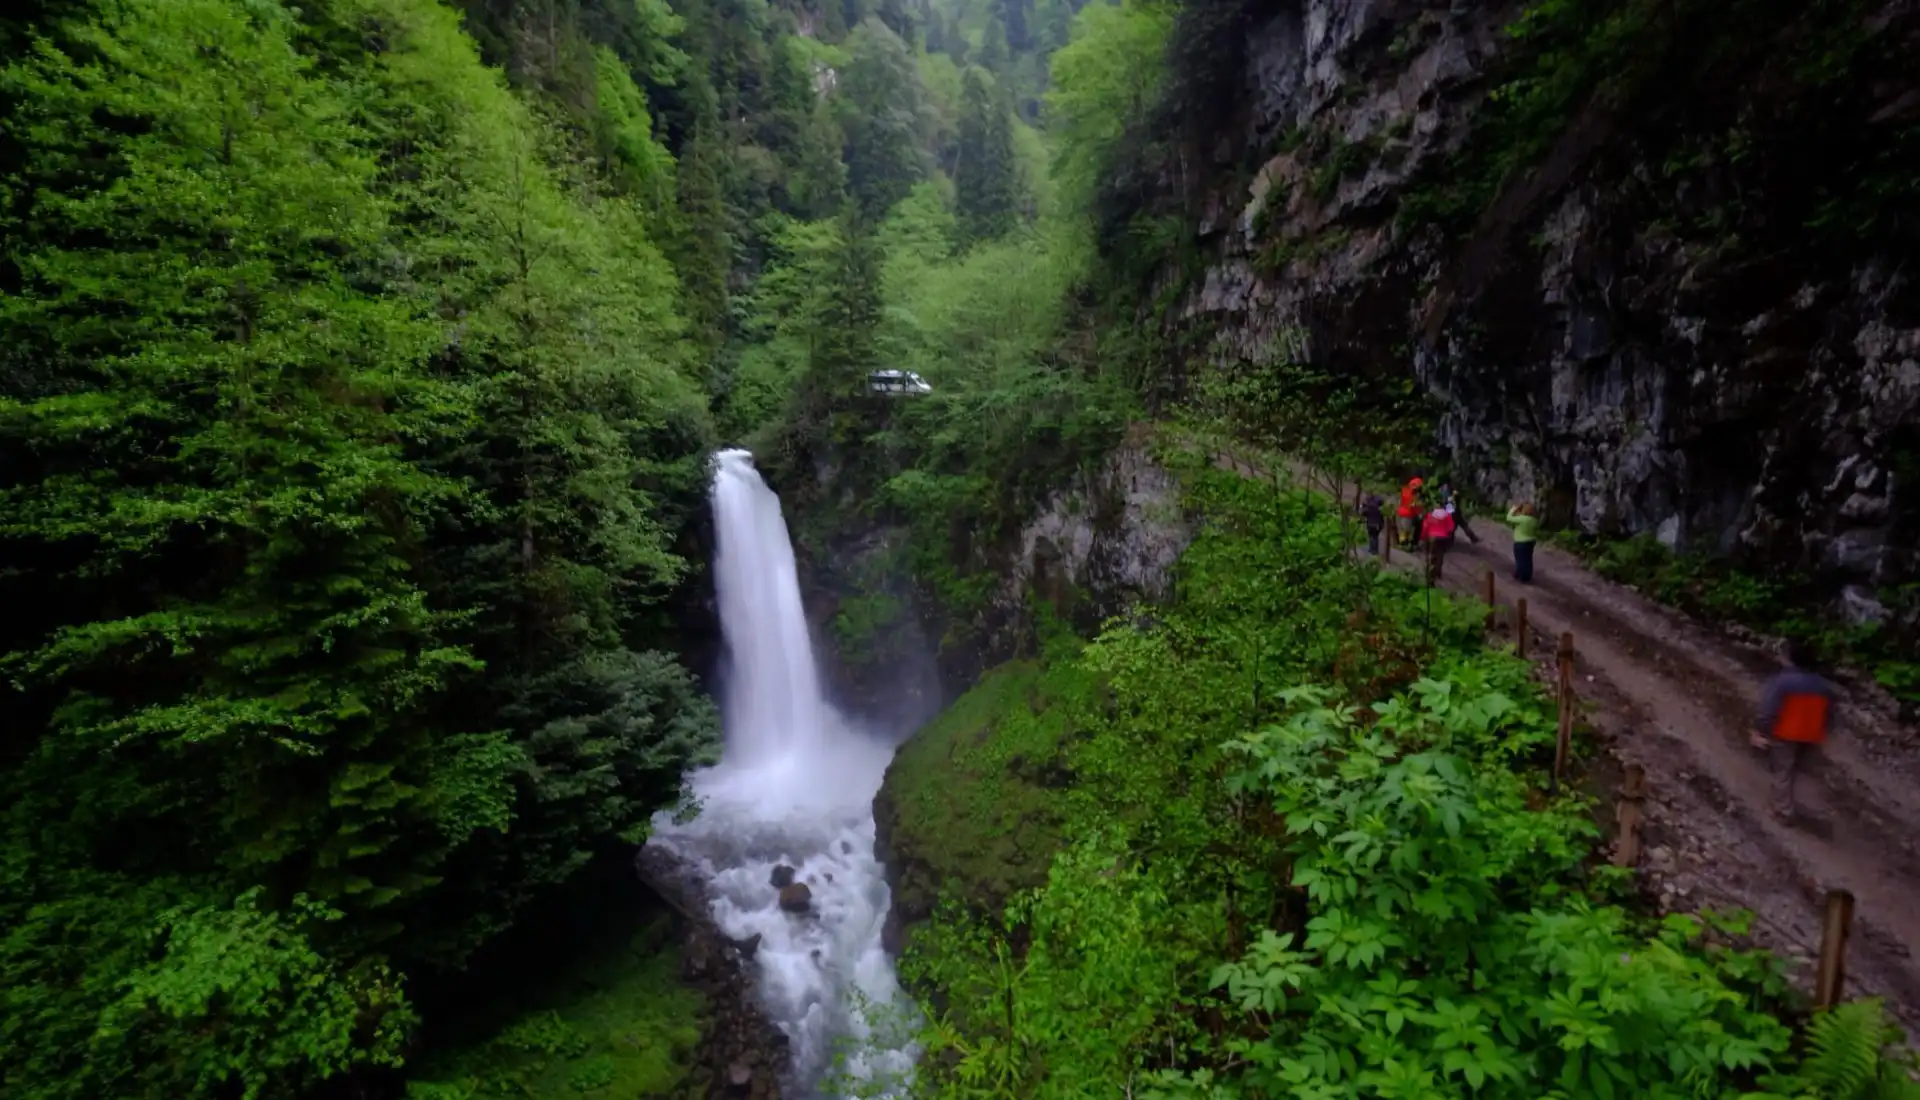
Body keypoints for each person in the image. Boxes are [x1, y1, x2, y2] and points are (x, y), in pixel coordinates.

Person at [1752, 640, 1840, 823]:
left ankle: (1783, 812)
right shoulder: (1824, 687)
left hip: (1786, 733)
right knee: (1802, 771)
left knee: (1783, 771)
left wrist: (1760, 730)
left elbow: (1769, 708)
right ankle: (1809, 809)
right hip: (1812, 735)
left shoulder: (1783, 681)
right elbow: (1830, 715)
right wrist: (1825, 732)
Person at [1420, 505, 1456, 583]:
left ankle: (1430, 573)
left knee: (1432, 555)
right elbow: (1451, 528)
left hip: (1432, 537)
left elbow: (1425, 527)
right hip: (1443, 538)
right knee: (1440, 555)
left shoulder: (1430, 516)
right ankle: (1438, 572)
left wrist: (1423, 537)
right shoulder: (1447, 516)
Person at [1506, 501, 1538, 582]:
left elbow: (1508, 518)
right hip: (1531, 541)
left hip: (1520, 541)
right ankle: (1527, 576)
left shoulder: (1522, 519)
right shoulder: (1534, 520)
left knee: (1520, 559)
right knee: (1528, 559)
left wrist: (1513, 509)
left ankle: (1520, 574)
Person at [1397, 477, 1424, 549]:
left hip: (1405, 512)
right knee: (1407, 529)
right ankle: (1406, 543)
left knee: (1405, 529)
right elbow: (1414, 505)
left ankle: (1404, 542)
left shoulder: (1405, 490)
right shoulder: (1414, 494)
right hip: (1408, 513)